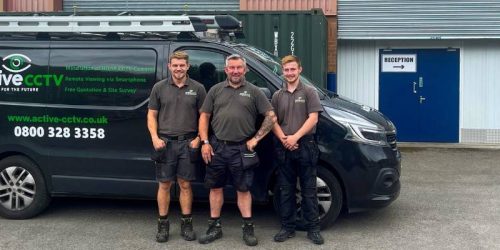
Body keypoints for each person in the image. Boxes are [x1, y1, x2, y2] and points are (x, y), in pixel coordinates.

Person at [197, 54, 276, 246]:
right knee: (216, 189)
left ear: (245, 70)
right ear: (225, 70)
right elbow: (204, 117)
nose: (235, 71)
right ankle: (214, 227)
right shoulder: (215, 90)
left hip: (242, 150)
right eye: (231, 68)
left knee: (243, 189)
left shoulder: (255, 91)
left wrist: (256, 139)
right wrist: (205, 142)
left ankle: (248, 229)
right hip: (217, 148)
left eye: (239, 67)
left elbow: (271, 116)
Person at [147, 51, 207, 243]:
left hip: (188, 143)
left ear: (188, 66)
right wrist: (155, 137)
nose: (178, 68)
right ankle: (163, 226)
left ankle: (186, 224)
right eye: (175, 65)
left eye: (182, 65)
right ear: (169, 66)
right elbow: (151, 115)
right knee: (164, 185)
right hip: (165, 143)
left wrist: (199, 138)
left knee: (185, 184)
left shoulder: (198, 88)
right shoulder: (159, 88)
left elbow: (204, 117)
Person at [271, 55, 324, 245]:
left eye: (293, 69)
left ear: (299, 70)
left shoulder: (310, 92)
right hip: (284, 147)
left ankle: (313, 229)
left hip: (305, 146)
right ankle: (287, 227)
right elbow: (272, 120)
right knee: (286, 190)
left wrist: (295, 137)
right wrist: (284, 138)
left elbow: (313, 119)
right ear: (282, 71)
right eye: (286, 70)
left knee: (309, 190)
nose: (290, 73)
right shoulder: (278, 95)